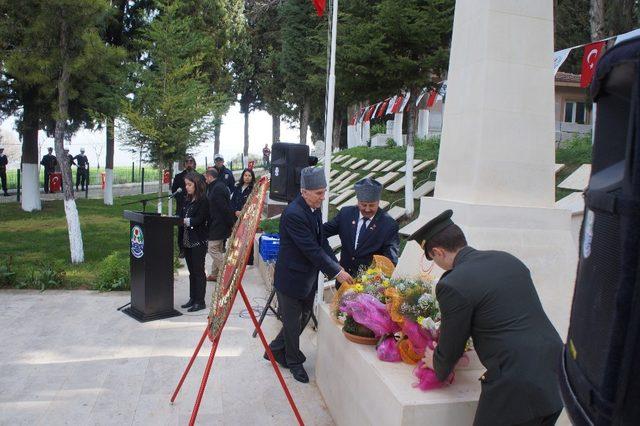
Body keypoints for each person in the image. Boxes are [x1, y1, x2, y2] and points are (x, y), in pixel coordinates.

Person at [408, 210, 564, 426]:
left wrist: (436, 362)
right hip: (556, 371)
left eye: (433, 258)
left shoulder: (453, 284)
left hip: (516, 384)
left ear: (438, 251)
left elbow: (453, 343)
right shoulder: (507, 259)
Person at [266, 167, 354, 383]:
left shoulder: (314, 209)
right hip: (291, 278)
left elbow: (321, 241)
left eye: (324, 192)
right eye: (318, 193)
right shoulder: (295, 213)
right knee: (292, 322)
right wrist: (335, 272)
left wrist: (337, 265)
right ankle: (294, 362)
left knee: (304, 316)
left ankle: (275, 349)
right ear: (304, 192)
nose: (323, 197)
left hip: (307, 277)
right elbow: (311, 249)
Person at [323, 177, 399, 285]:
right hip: (344, 282)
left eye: (372, 205)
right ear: (358, 201)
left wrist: (372, 281)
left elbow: (390, 260)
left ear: (378, 202)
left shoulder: (388, 224)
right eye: (363, 205)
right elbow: (322, 232)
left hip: (370, 287)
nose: (367, 209)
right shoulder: (346, 214)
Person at [179, 172, 209, 312]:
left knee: (198, 271)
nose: (187, 187)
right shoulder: (187, 199)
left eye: (189, 185)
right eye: (186, 185)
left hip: (198, 241)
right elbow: (182, 214)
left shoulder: (203, 200)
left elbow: (201, 219)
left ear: (196, 185)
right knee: (191, 271)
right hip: (187, 240)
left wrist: (187, 221)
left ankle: (200, 301)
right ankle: (192, 298)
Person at [204, 168, 235, 282]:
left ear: (210, 177)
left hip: (219, 223)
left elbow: (224, 208)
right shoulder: (217, 186)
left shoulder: (218, 189)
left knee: (212, 248)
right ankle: (214, 274)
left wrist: (230, 223)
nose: (205, 180)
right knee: (218, 248)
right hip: (218, 222)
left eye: (205, 177)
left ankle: (227, 272)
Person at [172, 155, 197, 258]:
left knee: (195, 228)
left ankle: (195, 248)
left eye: (191, 161)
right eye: (187, 162)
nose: (189, 163)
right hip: (182, 206)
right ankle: (182, 250)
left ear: (194, 163)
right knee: (181, 229)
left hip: (195, 206)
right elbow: (174, 191)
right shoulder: (178, 177)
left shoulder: (198, 176)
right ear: (184, 164)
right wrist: (183, 200)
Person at [231, 168, 256, 265]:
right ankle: (237, 258)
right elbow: (232, 202)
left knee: (247, 238)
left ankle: (249, 261)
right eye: (245, 175)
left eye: (249, 176)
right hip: (236, 217)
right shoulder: (237, 188)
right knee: (237, 238)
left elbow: (254, 204)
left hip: (247, 218)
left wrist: (244, 212)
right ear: (242, 176)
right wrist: (235, 211)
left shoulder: (254, 189)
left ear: (252, 177)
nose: (247, 177)